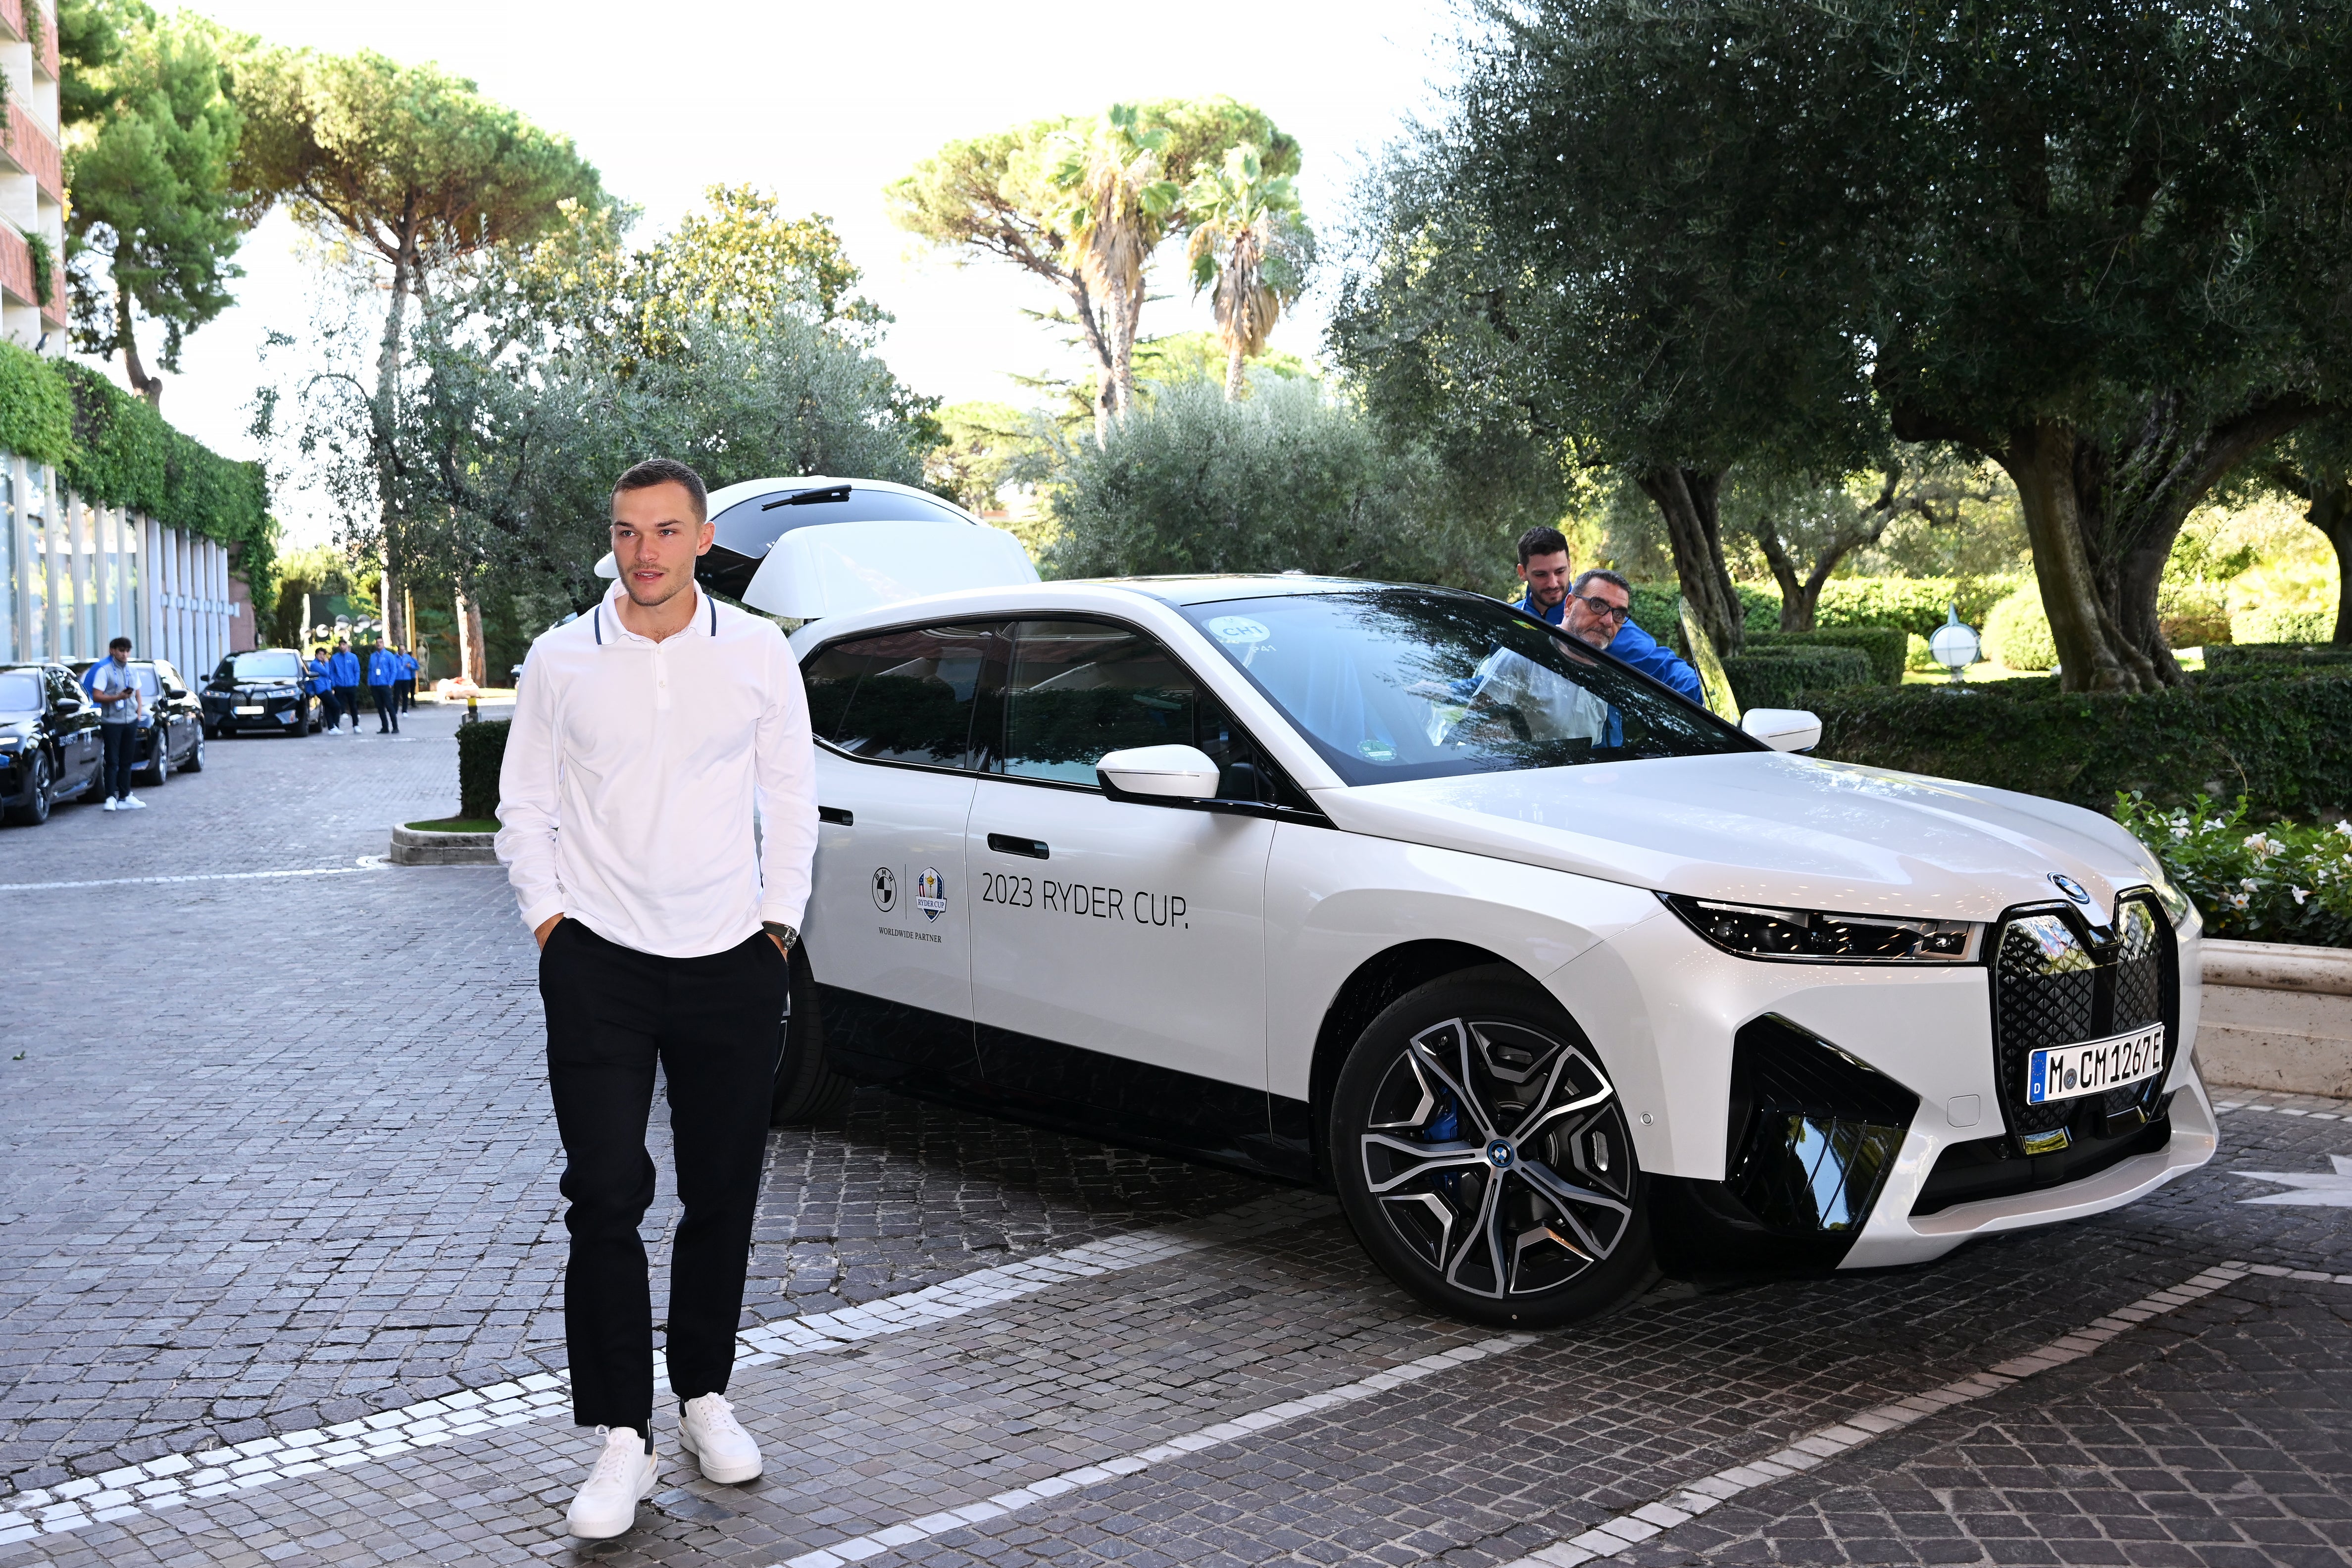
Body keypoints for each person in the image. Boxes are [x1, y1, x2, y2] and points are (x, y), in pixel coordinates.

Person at [497, 456, 818, 1541]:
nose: (644, 551)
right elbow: (523, 804)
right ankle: (620, 1436)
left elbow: (791, 795)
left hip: (732, 957)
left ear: (703, 538)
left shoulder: (759, 652)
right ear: (614, 538)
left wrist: (778, 929)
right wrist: (552, 922)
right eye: (628, 531)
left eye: (666, 530)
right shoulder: (559, 658)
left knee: (721, 1188)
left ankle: (704, 1395)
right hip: (600, 965)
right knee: (604, 1191)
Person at [1511, 527, 1704, 702]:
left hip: (1597, 740)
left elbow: (1665, 668)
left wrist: (1711, 701)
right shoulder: (1510, 618)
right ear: (1523, 572)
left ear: (1570, 565)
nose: (1553, 583)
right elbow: (1490, 677)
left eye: (1560, 571)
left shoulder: (1604, 622)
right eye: (1541, 575)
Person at [87, 636, 146, 811]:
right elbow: (97, 695)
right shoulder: (104, 671)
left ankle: (126, 795)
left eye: (127, 651)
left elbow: (137, 693)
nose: (125, 654)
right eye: (121, 651)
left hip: (130, 720)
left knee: (127, 759)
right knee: (112, 759)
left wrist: (139, 713)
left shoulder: (132, 670)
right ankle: (111, 796)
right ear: (113, 651)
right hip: (112, 721)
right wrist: (117, 697)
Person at [366, 643, 401, 734]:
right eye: (377, 643)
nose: (379, 645)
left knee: (389, 706)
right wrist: (370, 682)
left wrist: (390, 683)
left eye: (381, 643)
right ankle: (385, 727)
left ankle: (395, 727)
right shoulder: (373, 656)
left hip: (385, 685)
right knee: (380, 707)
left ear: (383, 644)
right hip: (375, 685)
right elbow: (370, 670)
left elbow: (394, 670)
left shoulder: (389, 655)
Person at [328, 640, 362, 734]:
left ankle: (356, 725)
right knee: (337, 706)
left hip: (351, 686)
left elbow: (357, 671)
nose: (342, 646)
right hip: (339, 686)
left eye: (344, 645)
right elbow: (332, 672)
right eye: (341, 645)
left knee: (353, 706)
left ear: (347, 646)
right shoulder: (335, 658)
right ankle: (336, 726)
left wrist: (356, 683)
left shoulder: (353, 657)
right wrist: (334, 684)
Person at [306, 647, 337, 733]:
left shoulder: (320, 664)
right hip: (321, 689)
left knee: (328, 707)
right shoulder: (315, 664)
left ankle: (331, 728)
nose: (322, 656)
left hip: (326, 688)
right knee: (336, 706)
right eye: (320, 654)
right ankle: (335, 725)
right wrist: (327, 663)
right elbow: (327, 673)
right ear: (316, 655)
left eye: (323, 654)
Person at [396, 645, 419, 712]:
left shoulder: (410, 659)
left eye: (404, 650)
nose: (403, 651)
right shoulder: (396, 658)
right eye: (401, 650)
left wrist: (410, 666)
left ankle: (408, 707)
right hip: (400, 678)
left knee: (408, 693)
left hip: (409, 678)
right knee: (398, 694)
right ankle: (396, 709)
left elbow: (416, 667)